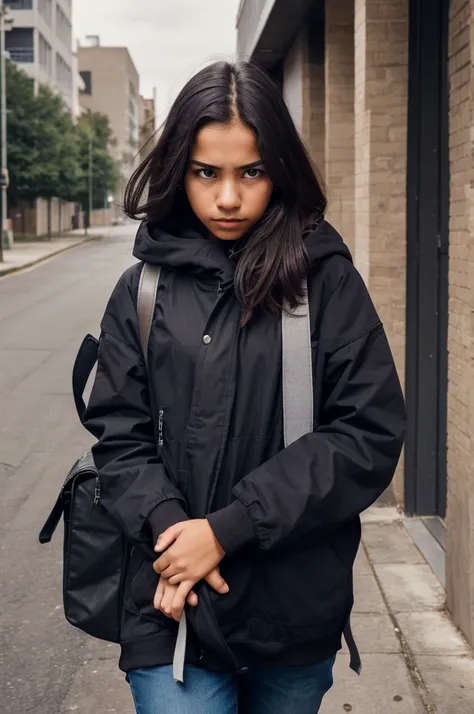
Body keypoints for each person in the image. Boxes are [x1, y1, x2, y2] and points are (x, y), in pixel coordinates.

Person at [83, 61, 406, 714]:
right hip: (171, 604)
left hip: (291, 611)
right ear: (180, 169)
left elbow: (365, 433)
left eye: (250, 172)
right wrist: (177, 539)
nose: (228, 197)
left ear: (279, 170)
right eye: (207, 172)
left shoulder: (327, 284)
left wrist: (227, 530)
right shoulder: (141, 292)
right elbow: (118, 435)